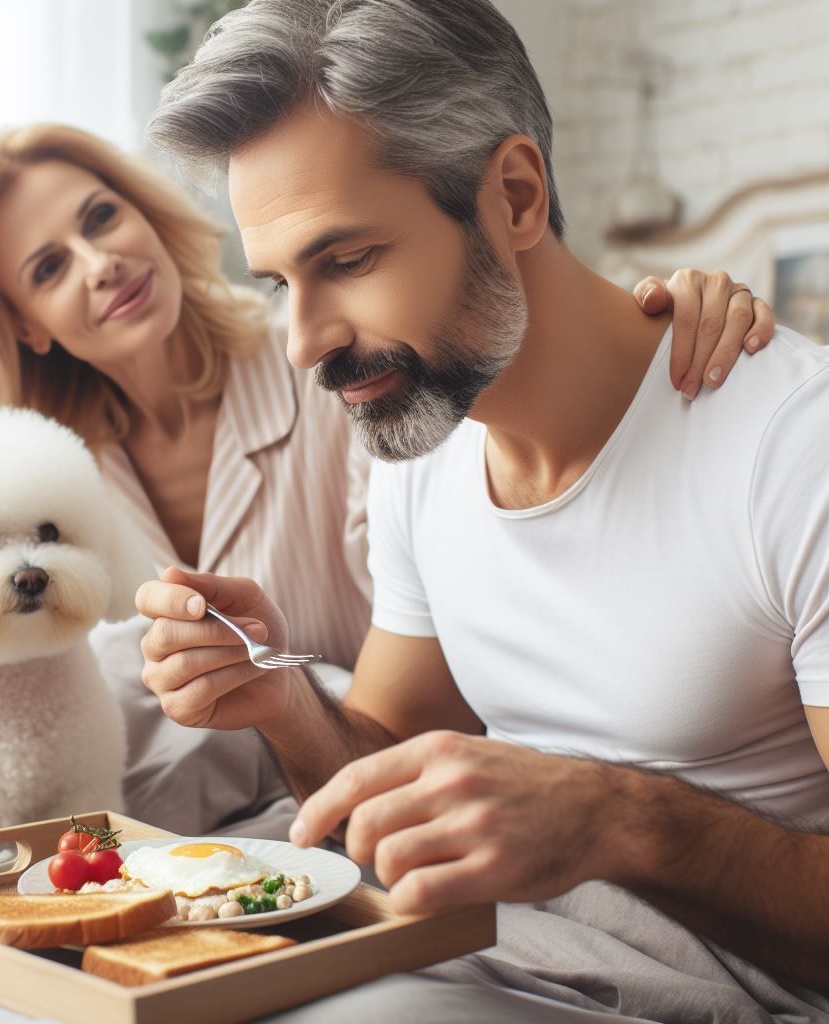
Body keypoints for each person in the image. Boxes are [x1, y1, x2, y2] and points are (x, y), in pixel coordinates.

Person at [136, 1, 829, 1021]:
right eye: (280, 281)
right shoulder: (425, 442)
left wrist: (620, 816)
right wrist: (282, 702)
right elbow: (385, 773)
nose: (303, 342)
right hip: (488, 944)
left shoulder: (791, 447)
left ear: (512, 193)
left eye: (347, 260)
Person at [0, 121, 765, 732]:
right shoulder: (33, 478)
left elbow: (435, 646)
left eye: (103, 217)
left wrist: (657, 312)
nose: (101, 263)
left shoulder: (343, 362)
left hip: (370, 761)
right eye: (50, 267)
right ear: (23, 324)